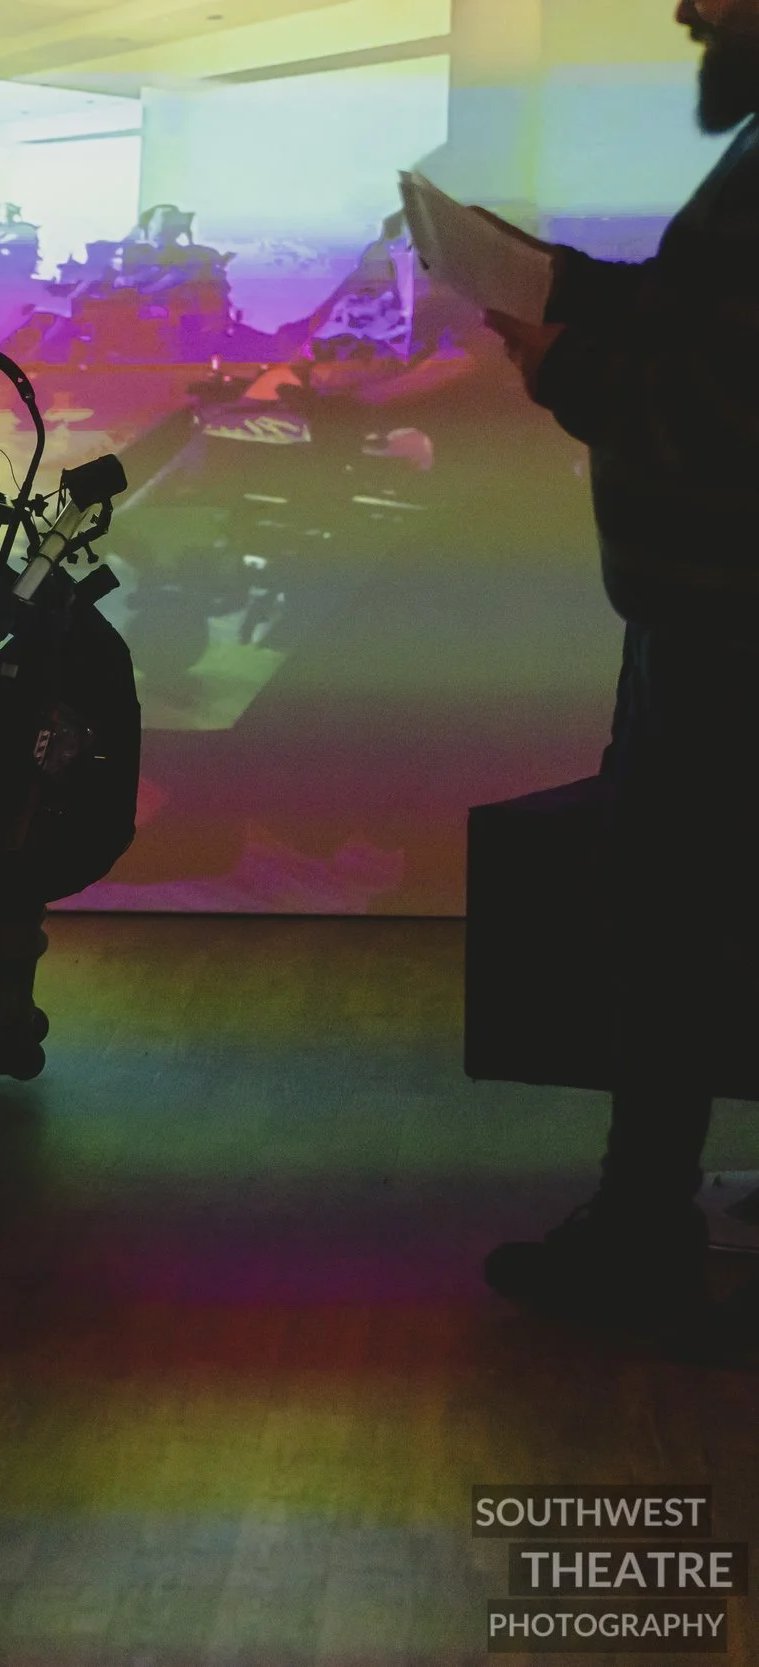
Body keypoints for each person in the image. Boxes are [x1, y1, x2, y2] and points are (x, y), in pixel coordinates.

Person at [481, 0, 759, 1329]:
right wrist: (564, 282)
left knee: (669, 920)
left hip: (726, 631)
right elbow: (705, 320)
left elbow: (717, 414)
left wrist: (563, 361)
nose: (688, 10)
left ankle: (641, 1230)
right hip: (705, 620)